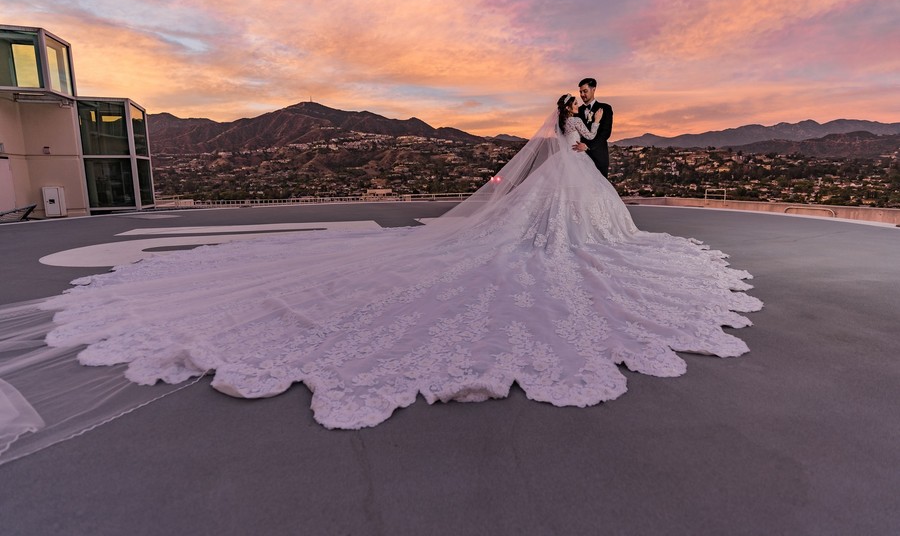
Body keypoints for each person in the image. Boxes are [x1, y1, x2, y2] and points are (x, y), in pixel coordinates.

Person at [0, 93, 762, 461]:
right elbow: (554, 143)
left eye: (585, 100)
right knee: (529, 235)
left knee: (577, 230)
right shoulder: (559, 118)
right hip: (557, 179)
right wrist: (569, 121)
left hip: (581, 179)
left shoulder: (595, 118)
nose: (582, 103)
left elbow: (597, 144)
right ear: (568, 104)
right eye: (577, 99)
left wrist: (590, 127)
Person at [575, 77, 614, 177]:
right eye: (580, 92)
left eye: (585, 91)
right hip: (579, 157)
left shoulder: (605, 108)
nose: (582, 95)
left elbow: (605, 133)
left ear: (593, 89)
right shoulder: (576, 111)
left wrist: (587, 146)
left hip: (599, 156)